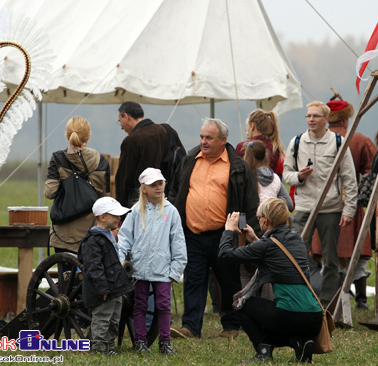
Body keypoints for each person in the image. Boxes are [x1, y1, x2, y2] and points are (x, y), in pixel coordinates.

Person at [169, 118, 260, 339]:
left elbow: (248, 203)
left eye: (209, 138)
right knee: (193, 279)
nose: (203, 141)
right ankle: (190, 327)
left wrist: (245, 234)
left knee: (228, 280)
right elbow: (175, 191)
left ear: (223, 140)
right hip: (192, 233)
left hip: (224, 235)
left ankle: (231, 326)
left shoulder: (237, 166)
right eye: (201, 137)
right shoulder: (190, 159)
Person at [218, 198, 323, 363]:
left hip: (289, 316)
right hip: (315, 317)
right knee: (278, 316)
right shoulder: (297, 239)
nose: (258, 220)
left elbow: (225, 254)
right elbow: (276, 256)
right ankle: (300, 342)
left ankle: (264, 351)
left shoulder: (266, 245)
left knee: (239, 303)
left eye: (259, 217)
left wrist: (229, 230)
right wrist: (254, 240)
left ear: (265, 220)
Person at [283, 101, 358, 307]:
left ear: (326, 119)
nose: (311, 120)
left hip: (330, 208)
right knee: (297, 255)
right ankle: (301, 300)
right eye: (308, 116)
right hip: (304, 207)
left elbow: (349, 178)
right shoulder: (297, 142)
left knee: (330, 259)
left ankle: (326, 305)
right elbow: (286, 174)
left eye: (316, 116)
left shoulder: (338, 142)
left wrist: (349, 209)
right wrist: (299, 176)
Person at [311, 99, 377, 309]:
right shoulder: (359, 140)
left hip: (322, 203)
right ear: (347, 118)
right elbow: (372, 170)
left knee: (328, 253)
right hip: (350, 203)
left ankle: (335, 298)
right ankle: (361, 299)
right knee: (355, 253)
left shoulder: (313, 139)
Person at [118, 168, 187, 355]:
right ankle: (141, 341)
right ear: (144, 189)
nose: (158, 187)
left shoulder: (171, 212)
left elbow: (178, 243)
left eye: (160, 183)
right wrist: (121, 260)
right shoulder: (135, 211)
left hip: (163, 270)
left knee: (164, 307)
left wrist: (175, 270)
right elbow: (124, 238)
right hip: (140, 269)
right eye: (153, 185)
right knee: (140, 305)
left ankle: (165, 343)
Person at [45, 116, 110, 259]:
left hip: (63, 234)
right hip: (91, 231)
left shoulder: (58, 158)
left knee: (66, 278)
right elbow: (105, 197)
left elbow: (50, 192)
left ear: (67, 135)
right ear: (88, 136)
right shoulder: (102, 161)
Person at [78, 197, 134, 355]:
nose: (119, 218)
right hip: (103, 290)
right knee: (102, 318)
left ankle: (110, 346)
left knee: (114, 319)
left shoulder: (109, 235)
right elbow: (94, 267)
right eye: (115, 215)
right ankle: (98, 348)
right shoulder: (92, 241)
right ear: (102, 217)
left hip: (114, 288)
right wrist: (102, 288)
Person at [241, 140, 293, 300]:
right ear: (266, 156)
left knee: (245, 271)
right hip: (271, 229)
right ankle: (269, 308)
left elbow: (240, 205)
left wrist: (241, 229)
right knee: (268, 269)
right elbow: (289, 204)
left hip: (248, 225)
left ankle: (247, 307)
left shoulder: (245, 177)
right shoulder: (275, 179)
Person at [115, 101, 184, 208]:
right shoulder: (168, 131)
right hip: (168, 201)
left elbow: (124, 180)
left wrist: (122, 209)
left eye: (120, 121)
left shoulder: (132, 141)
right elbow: (182, 163)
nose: (121, 127)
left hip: (142, 204)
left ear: (126, 116)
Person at [236, 109, 285, 178]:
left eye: (247, 128)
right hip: (269, 187)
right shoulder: (275, 148)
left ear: (253, 126)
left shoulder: (242, 147)